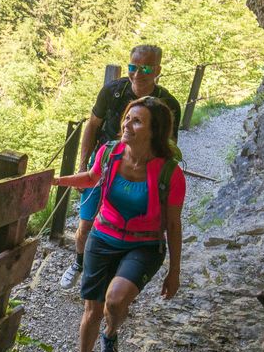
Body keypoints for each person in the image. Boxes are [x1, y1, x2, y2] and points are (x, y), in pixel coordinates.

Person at [52, 96, 185, 352]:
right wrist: (58, 181)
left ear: (154, 130)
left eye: (137, 121)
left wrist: (174, 270)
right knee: (92, 308)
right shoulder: (110, 153)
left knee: (114, 300)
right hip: (103, 237)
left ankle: (110, 335)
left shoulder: (170, 173)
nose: (127, 124)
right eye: (127, 118)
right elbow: (91, 178)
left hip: (144, 245)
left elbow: (174, 225)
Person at [59, 45, 182, 289]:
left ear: (157, 70)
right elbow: (92, 126)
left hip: (141, 171)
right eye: (133, 67)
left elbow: (169, 145)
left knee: (127, 221)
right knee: (86, 223)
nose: (137, 73)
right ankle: (80, 262)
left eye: (145, 68)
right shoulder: (112, 91)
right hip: (104, 161)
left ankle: (120, 274)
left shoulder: (168, 104)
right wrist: (83, 164)